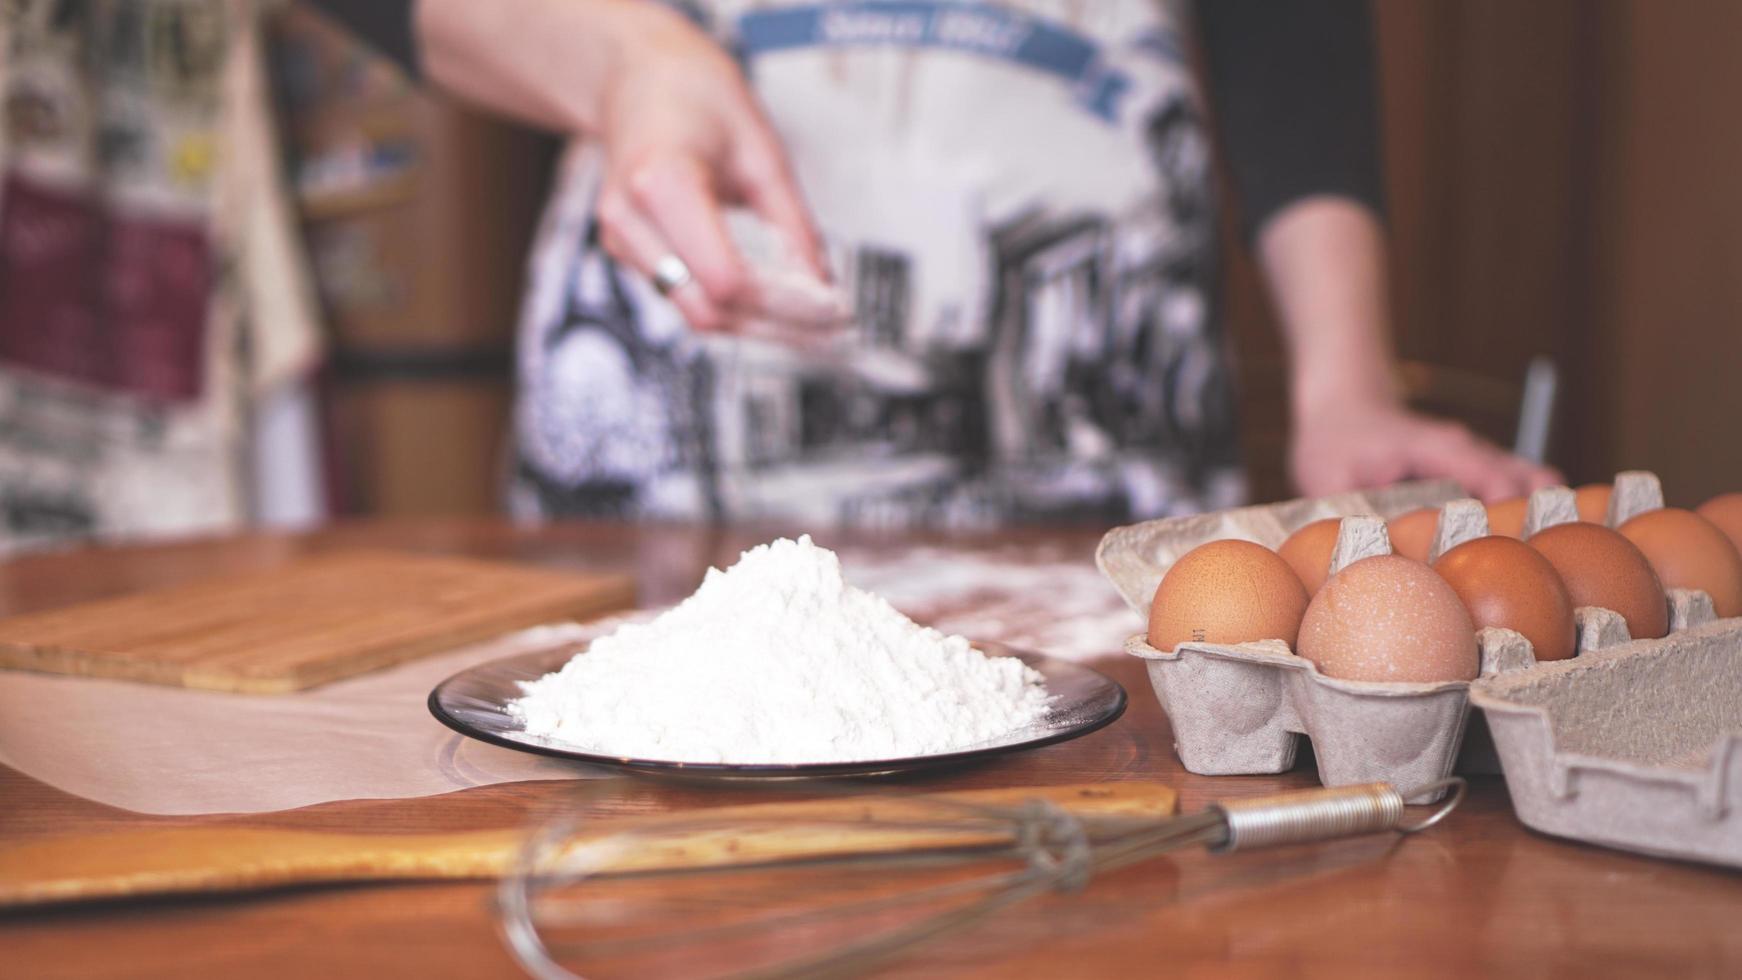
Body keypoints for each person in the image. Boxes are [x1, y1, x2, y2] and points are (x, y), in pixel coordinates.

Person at [310, 0, 1560, 528]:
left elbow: (1288, 29)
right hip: (676, 449)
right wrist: (628, 59)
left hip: (1099, 476)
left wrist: (1343, 381)